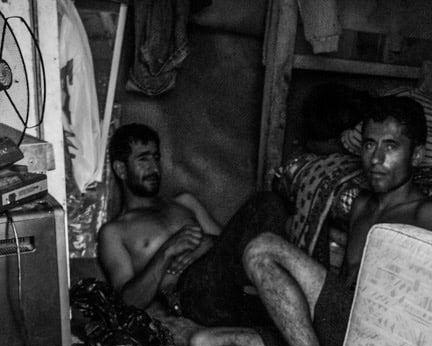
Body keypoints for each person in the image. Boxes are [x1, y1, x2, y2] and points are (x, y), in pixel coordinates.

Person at [187, 96, 432, 346]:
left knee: (262, 247)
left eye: (391, 146)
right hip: (337, 339)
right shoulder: (362, 206)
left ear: (416, 155)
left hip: (381, 343)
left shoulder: (430, 214)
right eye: (369, 144)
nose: (376, 158)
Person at [98, 122, 290, 326]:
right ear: (121, 169)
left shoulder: (185, 203)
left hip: (229, 285)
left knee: (267, 202)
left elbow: (233, 247)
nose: (154, 167)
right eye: (143, 159)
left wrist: (205, 244)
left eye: (156, 158)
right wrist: (167, 251)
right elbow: (127, 304)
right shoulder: (114, 232)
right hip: (190, 295)